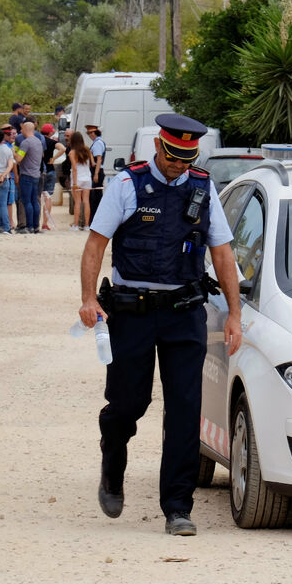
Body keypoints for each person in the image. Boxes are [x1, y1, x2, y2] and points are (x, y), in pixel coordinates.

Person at [77, 114, 242, 536]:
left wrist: (236, 315)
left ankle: (177, 507)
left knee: (185, 410)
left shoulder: (203, 189)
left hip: (184, 313)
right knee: (128, 405)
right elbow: (96, 243)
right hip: (132, 313)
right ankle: (112, 462)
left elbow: (222, 255)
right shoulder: (127, 184)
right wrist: (88, 299)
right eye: (172, 156)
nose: (178, 165)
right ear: (158, 148)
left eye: (186, 159)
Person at [17, 121, 43, 234]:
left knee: (27, 201)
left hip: (26, 174)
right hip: (36, 174)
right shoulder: (38, 142)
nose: (20, 131)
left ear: (26, 129)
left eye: (22, 129)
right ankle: (36, 226)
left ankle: (29, 226)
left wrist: (13, 152)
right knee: (35, 201)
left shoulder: (26, 143)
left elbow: (18, 159)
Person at [40, 123, 65, 230]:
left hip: (39, 170)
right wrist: (54, 158)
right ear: (50, 132)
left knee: (37, 197)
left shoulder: (38, 141)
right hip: (50, 170)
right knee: (48, 197)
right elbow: (63, 149)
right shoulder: (52, 142)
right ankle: (45, 223)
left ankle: (34, 222)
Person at [68, 131, 93, 231]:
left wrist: (74, 183)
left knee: (77, 202)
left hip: (77, 178)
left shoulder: (72, 152)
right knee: (86, 202)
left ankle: (76, 225)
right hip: (87, 178)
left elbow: (74, 168)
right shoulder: (87, 150)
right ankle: (87, 225)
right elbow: (93, 163)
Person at [86, 124, 106, 223]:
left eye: (89, 133)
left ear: (94, 133)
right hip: (97, 170)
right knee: (95, 197)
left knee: (95, 198)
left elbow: (99, 159)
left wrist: (96, 174)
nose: (89, 135)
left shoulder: (98, 143)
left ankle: (95, 220)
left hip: (97, 171)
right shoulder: (97, 142)